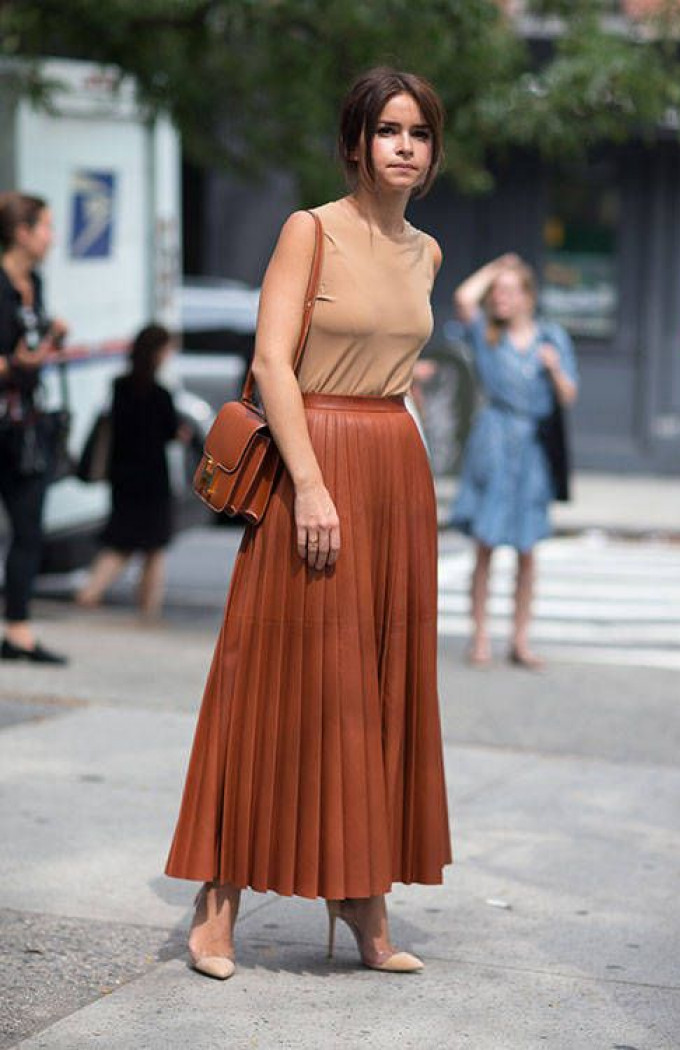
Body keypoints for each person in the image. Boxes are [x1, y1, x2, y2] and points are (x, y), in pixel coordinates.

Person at [165, 67, 452, 980]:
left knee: (373, 687)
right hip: (313, 468)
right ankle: (216, 904)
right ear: (355, 142)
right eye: (388, 130)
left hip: (393, 471)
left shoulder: (429, 253)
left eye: (419, 133)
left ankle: (363, 899)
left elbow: (401, 372)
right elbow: (271, 365)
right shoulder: (310, 230)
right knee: (273, 681)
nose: (404, 146)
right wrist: (313, 486)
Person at [450, 254, 578, 670]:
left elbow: (569, 396)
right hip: (493, 441)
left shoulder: (552, 338)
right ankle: (480, 636)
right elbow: (463, 298)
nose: (498, 298)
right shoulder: (486, 334)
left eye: (508, 291)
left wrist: (555, 370)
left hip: (533, 450)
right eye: (496, 292)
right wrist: (493, 269)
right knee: (484, 546)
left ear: (527, 297)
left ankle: (520, 639)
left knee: (527, 550)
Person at [76, 324, 187, 619]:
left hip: (123, 475)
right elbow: (170, 432)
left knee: (122, 541)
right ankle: (145, 609)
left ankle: (94, 591)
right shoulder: (161, 394)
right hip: (152, 478)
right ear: (158, 353)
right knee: (152, 547)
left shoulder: (119, 387)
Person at [0, 192, 68, 665]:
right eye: (44, 226)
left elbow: (30, 352)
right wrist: (12, 366)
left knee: (29, 528)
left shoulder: (35, 284)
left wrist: (48, 341)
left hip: (27, 424)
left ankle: (18, 629)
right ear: (21, 232)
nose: (51, 236)